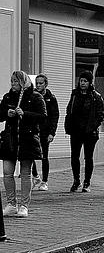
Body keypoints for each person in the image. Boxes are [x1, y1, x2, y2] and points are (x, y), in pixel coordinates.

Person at [0, 70, 46, 218]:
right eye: (12, 81)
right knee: (7, 172)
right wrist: (7, 113)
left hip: (27, 139)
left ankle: (24, 205)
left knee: (25, 173)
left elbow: (43, 117)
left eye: (16, 81)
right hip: (10, 139)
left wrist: (24, 114)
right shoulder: (7, 97)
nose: (13, 84)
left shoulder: (35, 97)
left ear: (23, 82)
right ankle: (11, 204)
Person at [64, 70, 104, 192]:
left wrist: (92, 127)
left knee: (88, 157)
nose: (82, 83)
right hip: (76, 131)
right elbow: (69, 110)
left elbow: (100, 115)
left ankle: (87, 182)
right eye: (81, 80)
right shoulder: (75, 94)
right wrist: (69, 126)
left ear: (90, 82)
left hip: (89, 132)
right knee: (74, 157)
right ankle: (76, 180)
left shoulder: (95, 97)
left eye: (85, 81)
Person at [31, 74, 59, 191]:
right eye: (37, 83)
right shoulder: (32, 96)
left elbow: (54, 116)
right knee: (31, 155)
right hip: (33, 130)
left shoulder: (51, 98)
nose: (38, 85)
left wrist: (52, 132)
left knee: (44, 156)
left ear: (45, 84)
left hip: (45, 131)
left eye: (41, 83)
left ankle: (45, 181)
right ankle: (36, 176)